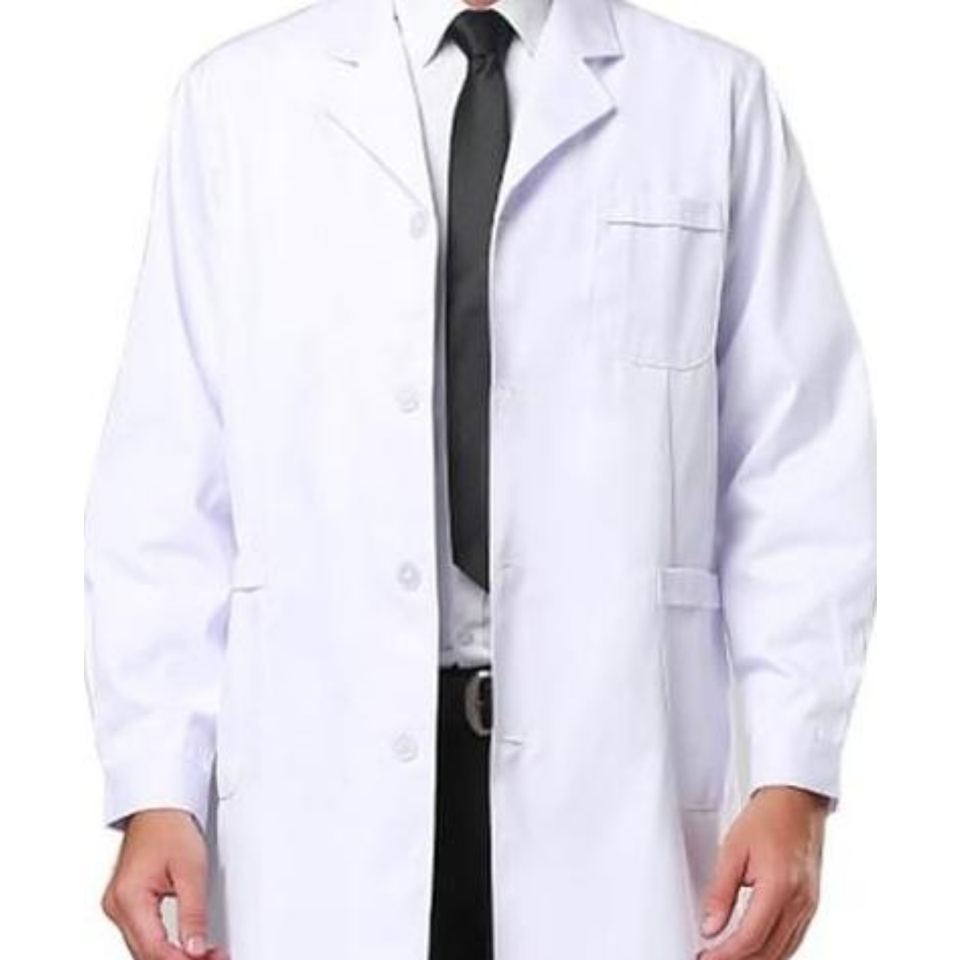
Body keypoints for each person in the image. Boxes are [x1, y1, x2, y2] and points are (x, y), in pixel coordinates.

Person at [83, 0, 876, 958]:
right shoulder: (238, 102)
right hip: (320, 779)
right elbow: (168, 477)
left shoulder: (712, 99)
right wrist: (156, 787)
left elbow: (797, 466)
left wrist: (794, 776)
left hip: (615, 783)